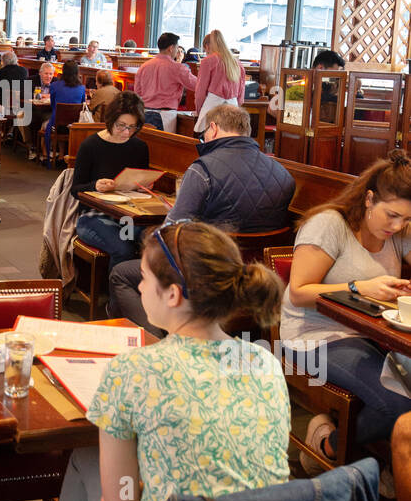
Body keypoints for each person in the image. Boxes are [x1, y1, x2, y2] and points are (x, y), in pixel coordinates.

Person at [54, 222, 290, 501]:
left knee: (85, 458)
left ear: (174, 294)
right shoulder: (265, 363)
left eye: (145, 278)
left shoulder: (132, 370)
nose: (141, 287)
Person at [280, 150, 411, 476]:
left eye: (407, 220)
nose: (397, 226)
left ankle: (385, 460)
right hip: (312, 337)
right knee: (398, 402)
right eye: (392, 215)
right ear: (369, 199)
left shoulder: (396, 234)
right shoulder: (329, 225)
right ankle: (327, 446)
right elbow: (299, 292)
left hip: (367, 333)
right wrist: (360, 287)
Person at [108, 104, 295, 331]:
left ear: (213, 129)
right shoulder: (283, 174)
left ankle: (157, 340)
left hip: (207, 275)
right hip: (261, 276)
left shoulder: (203, 169)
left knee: (120, 274)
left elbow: (170, 233)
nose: (204, 137)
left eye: (204, 132)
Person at [72, 92, 149, 267]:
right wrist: (95, 186)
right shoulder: (91, 145)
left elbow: (139, 182)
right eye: (121, 125)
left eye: (132, 127)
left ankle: (144, 289)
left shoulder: (139, 147)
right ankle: (119, 293)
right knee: (123, 249)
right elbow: (75, 189)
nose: (126, 132)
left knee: (152, 240)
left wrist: (142, 186)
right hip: (93, 217)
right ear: (111, 119)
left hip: (127, 216)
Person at [133, 31, 198, 129]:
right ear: (171, 48)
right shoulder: (177, 68)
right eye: (177, 48)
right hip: (165, 116)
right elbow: (197, 85)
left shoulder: (144, 66)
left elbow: (137, 92)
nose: (177, 51)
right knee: (164, 144)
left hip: (144, 112)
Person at [193, 28, 245, 133]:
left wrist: (199, 110)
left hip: (212, 107)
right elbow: (241, 96)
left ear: (207, 47)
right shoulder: (237, 64)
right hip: (233, 107)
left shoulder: (208, 61)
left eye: (205, 50)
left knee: (206, 140)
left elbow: (200, 92)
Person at [44, 58, 86, 160]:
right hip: (74, 123)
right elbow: (82, 104)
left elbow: (53, 105)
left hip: (57, 123)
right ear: (77, 72)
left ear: (63, 71)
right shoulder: (81, 87)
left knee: (44, 124)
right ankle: (63, 154)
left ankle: (46, 154)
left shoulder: (54, 85)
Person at [20, 59, 56, 158]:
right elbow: (23, 94)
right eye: (46, 74)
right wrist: (40, 95)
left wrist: (49, 95)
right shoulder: (31, 80)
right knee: (28, 117)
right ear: (40, 73)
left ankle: (46, 148)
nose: (49, 76)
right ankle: (32, 146)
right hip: (32, 108)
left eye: (51, 74)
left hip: (48, 110)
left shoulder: (56, 82)